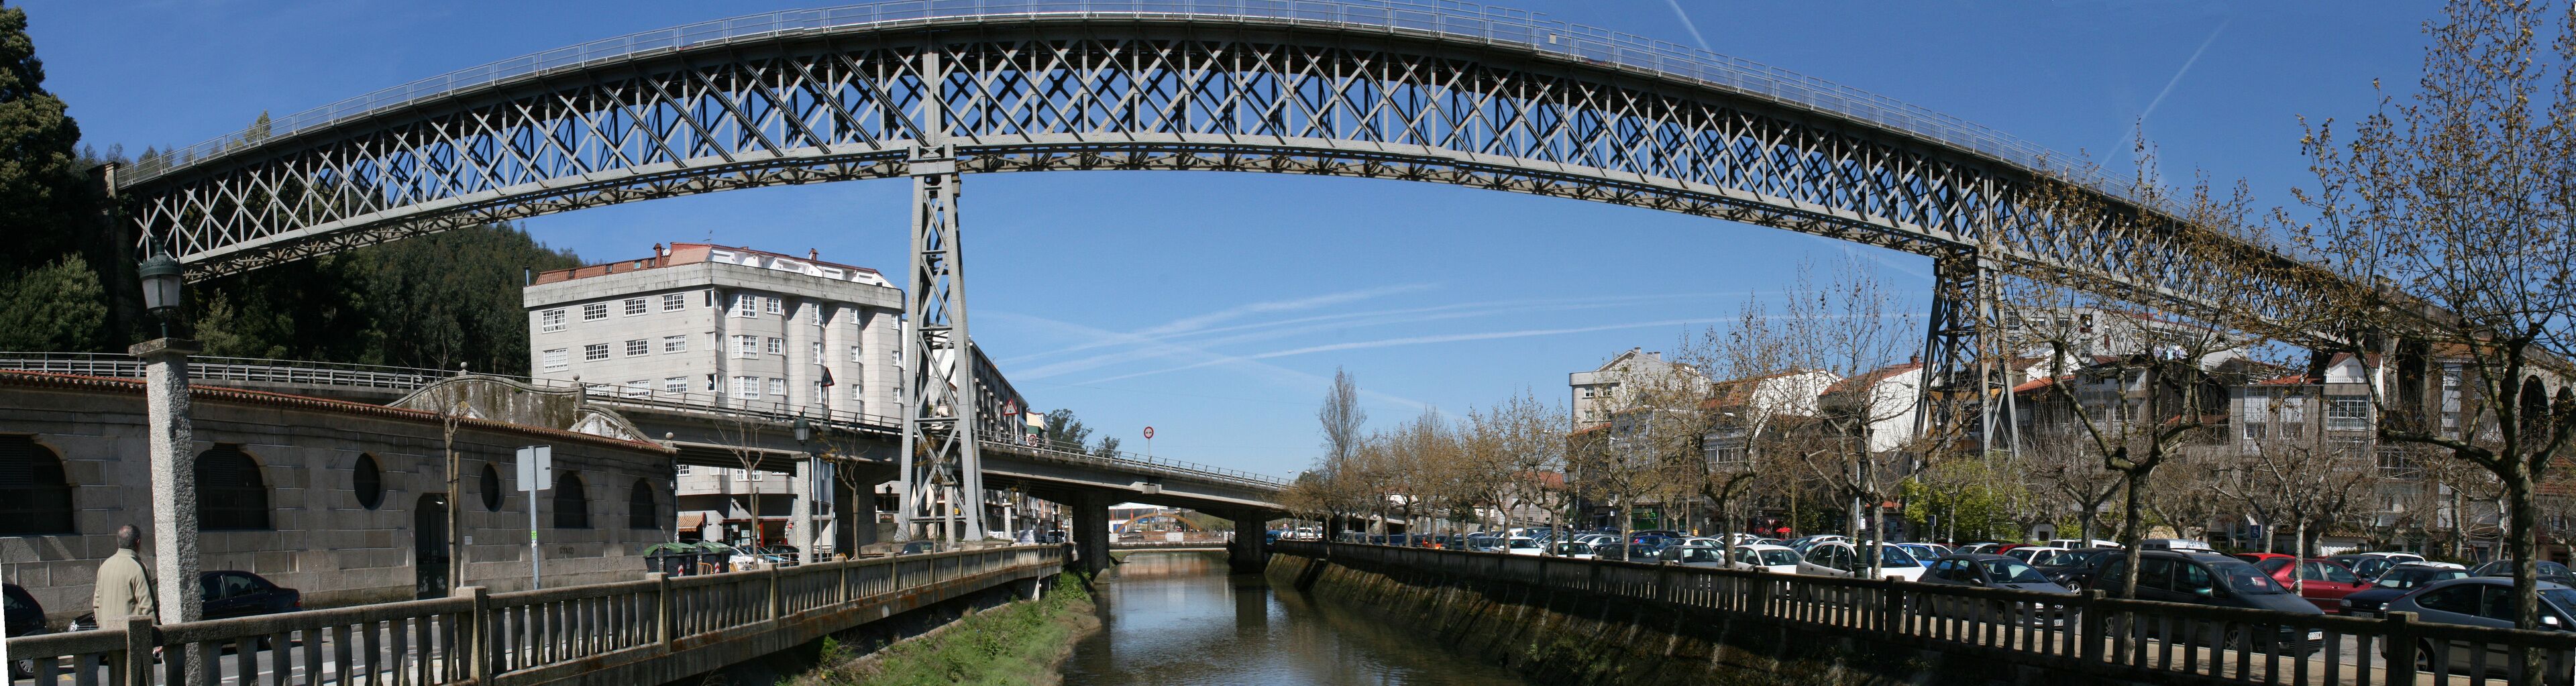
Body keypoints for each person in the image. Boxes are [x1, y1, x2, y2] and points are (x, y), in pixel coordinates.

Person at [93, 525, 156, 626]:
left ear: (118, 542)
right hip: (130, 635)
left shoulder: (104, 567)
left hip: (107, 635)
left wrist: (102, 626)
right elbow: (149, 607)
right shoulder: (138, 568)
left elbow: (97, 604)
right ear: (138, 542)